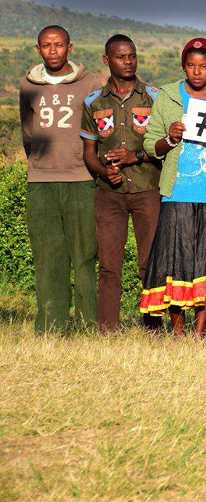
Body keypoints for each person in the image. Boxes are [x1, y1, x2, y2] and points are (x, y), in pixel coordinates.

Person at [141, 37, 206, 337]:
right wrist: (171, 138)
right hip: (178, 192)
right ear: (183, 67)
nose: (197, 72)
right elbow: (151, 144)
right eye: (191, 66)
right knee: (176, 262)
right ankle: (178, 332)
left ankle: (199, 332)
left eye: (203, 66)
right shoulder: (167, 97)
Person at [20, 25, 104, 333]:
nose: (52, 50)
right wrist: (41, 162)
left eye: (59, 44)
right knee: (47, 255)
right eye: (46, 45)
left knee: (84, 254)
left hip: (81, 178)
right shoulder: (27, 85)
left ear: (70, 47)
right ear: (38, 49)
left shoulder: (91, 82)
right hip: (40, 180)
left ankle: (87, 323)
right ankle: (50, 325)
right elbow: (28, 133)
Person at [80, 34, 163, 332]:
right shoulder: (93, 103)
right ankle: (107, 330)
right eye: (120, 57)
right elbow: (88, 153)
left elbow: (163, 146)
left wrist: (135, 156)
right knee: (109, 265)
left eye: (132, 56)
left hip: (147, 190)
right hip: (108, 194)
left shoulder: (154, 97)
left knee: (149, 262)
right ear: (107, 60)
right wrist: (104, 171)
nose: (128, 62)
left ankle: (153, 327)